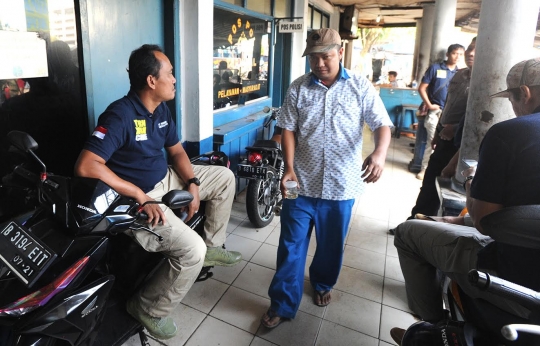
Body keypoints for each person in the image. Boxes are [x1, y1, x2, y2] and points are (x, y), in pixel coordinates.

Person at [74, 44, 242, 340]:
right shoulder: (120, 115)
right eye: (170, 73)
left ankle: (214, 244)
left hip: (166, 178)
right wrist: (140, 195)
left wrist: (192, 182)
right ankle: (147, 308)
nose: (175, 79)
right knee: (192, 250)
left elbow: (176, 151)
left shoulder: (160, 109)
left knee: (225, 177)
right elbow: (87, 166)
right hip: (133, 199)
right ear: (152, 80)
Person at [390, 58, 540, 345]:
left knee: (408, 233)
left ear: (525, 93)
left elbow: (485, 222)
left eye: (511, 98)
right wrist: (462, 220)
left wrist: (471, 179)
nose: (512, 106)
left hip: (516, 281)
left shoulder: (511, 133)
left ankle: (433, 329)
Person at [261, 28, 392, 329]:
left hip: (342, 185)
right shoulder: (298, 88)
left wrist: (380, 154)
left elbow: (381, 124)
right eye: (314, 58)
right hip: (300, 182)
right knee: (291, 245)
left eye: (326, 56)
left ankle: (322, 283)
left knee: (331, 245)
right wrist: (288, 168)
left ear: (340, 53)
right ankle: (282, 303)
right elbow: (288, 129)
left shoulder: (360, 86)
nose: (320, 63)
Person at [400, 38, 476, 223]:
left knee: (449, 195)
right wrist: (438, 130)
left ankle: (429, 230)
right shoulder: (459, 75)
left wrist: (456, 129)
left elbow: (483, 121)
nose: (471, 53)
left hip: (461, 146)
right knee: (429, 185)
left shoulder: (486, 82)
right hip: (443, 138)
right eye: (470, 48)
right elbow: (447, 106)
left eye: (477, 49)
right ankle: (414, 224)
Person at [416, 44, 464, 180]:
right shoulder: (435, 68)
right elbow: (422, 88)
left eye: (460, 54)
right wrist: (429, 105)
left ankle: (442, 169)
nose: (457, 57)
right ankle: (424, 169)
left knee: (445, 143)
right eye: (455, 53)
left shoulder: (460, 73)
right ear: (448, 54)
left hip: (450, 115)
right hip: (435, 112)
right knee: (433, 140)